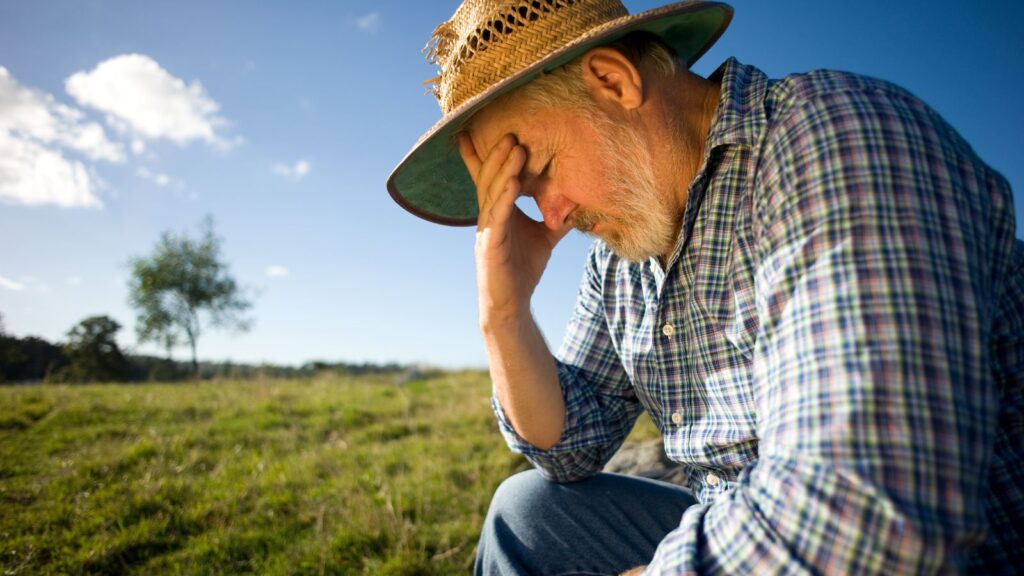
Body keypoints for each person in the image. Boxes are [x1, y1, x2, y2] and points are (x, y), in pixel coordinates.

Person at [387, 1, 1022, 574]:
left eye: (543, 170)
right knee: (525, 513)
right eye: (525, 193)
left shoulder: (833, 139)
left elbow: (870, 514)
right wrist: (504, 312)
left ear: (614, 80)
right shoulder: (626, 255)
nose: (552, 217)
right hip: (740, 526)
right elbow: (569, 447)